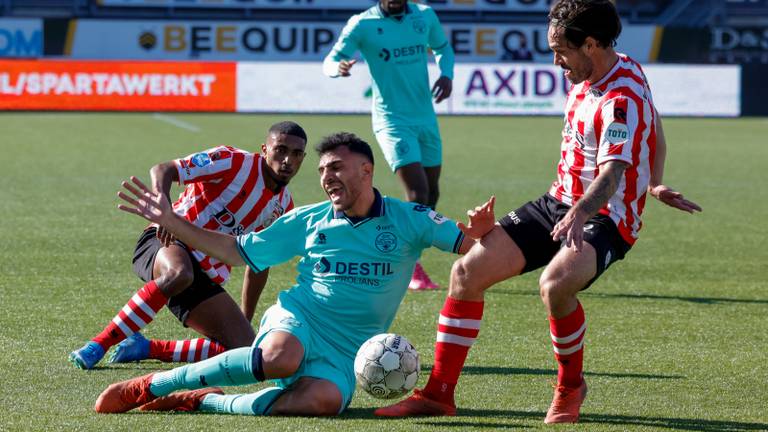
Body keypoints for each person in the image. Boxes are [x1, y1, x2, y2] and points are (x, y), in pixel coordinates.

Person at [375, 0, 702, 424]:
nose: (555, 61)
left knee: (555, 285)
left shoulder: (620, 97)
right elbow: (654, 123)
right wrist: (656, 179)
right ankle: (438, 393)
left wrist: (587, 211)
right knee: (466, 274)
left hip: (607, 216)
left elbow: (612, 174)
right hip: (557, 202)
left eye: (560, 50)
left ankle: (570, 387)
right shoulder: (603, 72)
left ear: (589, 44)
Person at [92, 132, 494, 416]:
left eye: (336, 167)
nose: (326, 177)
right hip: (300, 319)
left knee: (320, 403)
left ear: (367, 171)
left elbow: (471, 247)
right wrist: (172, 222)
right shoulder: (306, 219)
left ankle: (202, 400)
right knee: (281, 357)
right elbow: (236, 251)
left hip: (348, 349)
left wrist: (483, 234)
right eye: (321, 170)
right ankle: (154, 385)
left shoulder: (410, 218)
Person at [68, 121, 308, 369]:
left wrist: (244, 319)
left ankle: (145, 347)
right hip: (165, 240)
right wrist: (164, 206)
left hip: (204, 276)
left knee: (247, 350)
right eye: (280, 150)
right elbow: (164, 169)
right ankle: (99, 343)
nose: (288, 159)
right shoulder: (232, 161)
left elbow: (258, 263)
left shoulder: (282, 208)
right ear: (265, 149)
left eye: (296, 153)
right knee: (180, 273)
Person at [323, 0, 455, 290]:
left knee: (432, 192)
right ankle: (407, 264)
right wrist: (339, 68)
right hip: (392, 121)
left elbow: (443, 48)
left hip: (425, 119)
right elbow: (330, 60)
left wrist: (447, 74)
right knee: (418, 192)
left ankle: (408, 256)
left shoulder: (424, 15)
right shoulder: (363, 24)